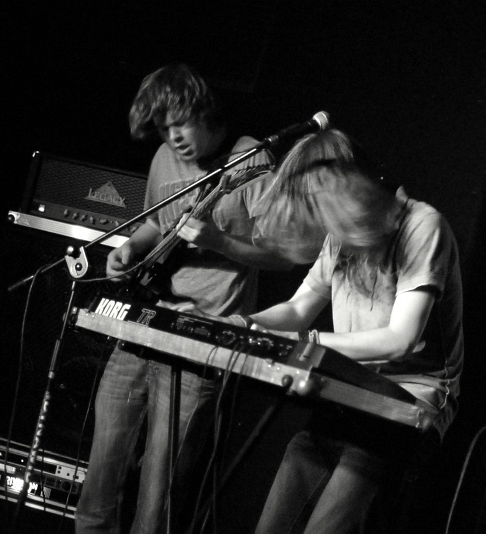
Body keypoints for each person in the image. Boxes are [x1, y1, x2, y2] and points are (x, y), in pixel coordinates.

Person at [181, 128, 464, 533]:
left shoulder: (422, 225)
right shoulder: (341, 237)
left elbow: (401, 339)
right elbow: (299, 307)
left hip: (408, 404)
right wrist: (244, 326)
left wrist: (307, 343)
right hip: (350, 395)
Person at [74, 63, 291, 534]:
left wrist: (220, 243)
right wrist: (130, 246)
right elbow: (155, 221)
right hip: (143, 321)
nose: (173, 137)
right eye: (163, 128)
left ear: (204, 111)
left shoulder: (249, 160)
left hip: (200, 339)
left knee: (156, 503)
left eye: (180, 123)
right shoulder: (163, 160)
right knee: (99, 480)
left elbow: (285, 255)